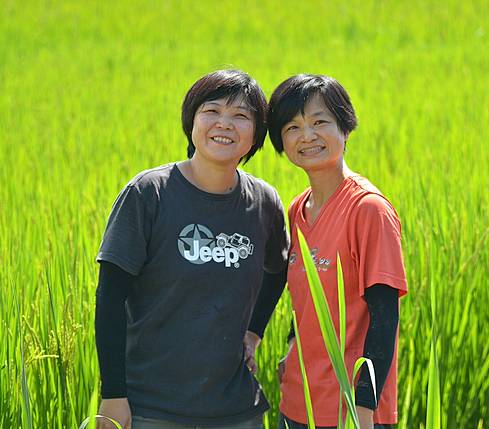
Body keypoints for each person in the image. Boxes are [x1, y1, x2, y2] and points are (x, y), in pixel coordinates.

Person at [94, 69, 289, 429]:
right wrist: (113, 394)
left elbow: (278, 272)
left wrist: (254, 332)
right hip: (152, 408)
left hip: (236, 409)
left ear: (256, 135)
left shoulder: (264, 203)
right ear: (192, 121)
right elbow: (109, 299)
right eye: (211, 111)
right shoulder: (148, 194)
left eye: (241, 116)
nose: (224, 124)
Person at [265, 75, 407, 429]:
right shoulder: (298, 210)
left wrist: (363, 410)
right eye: (293, 127)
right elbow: (307, 301)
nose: (307, 136)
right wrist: (290, 346)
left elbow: (384, 318)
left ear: (345, 128)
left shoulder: (368, 209)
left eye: (319, 122)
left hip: (349, 412)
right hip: (296, 404)